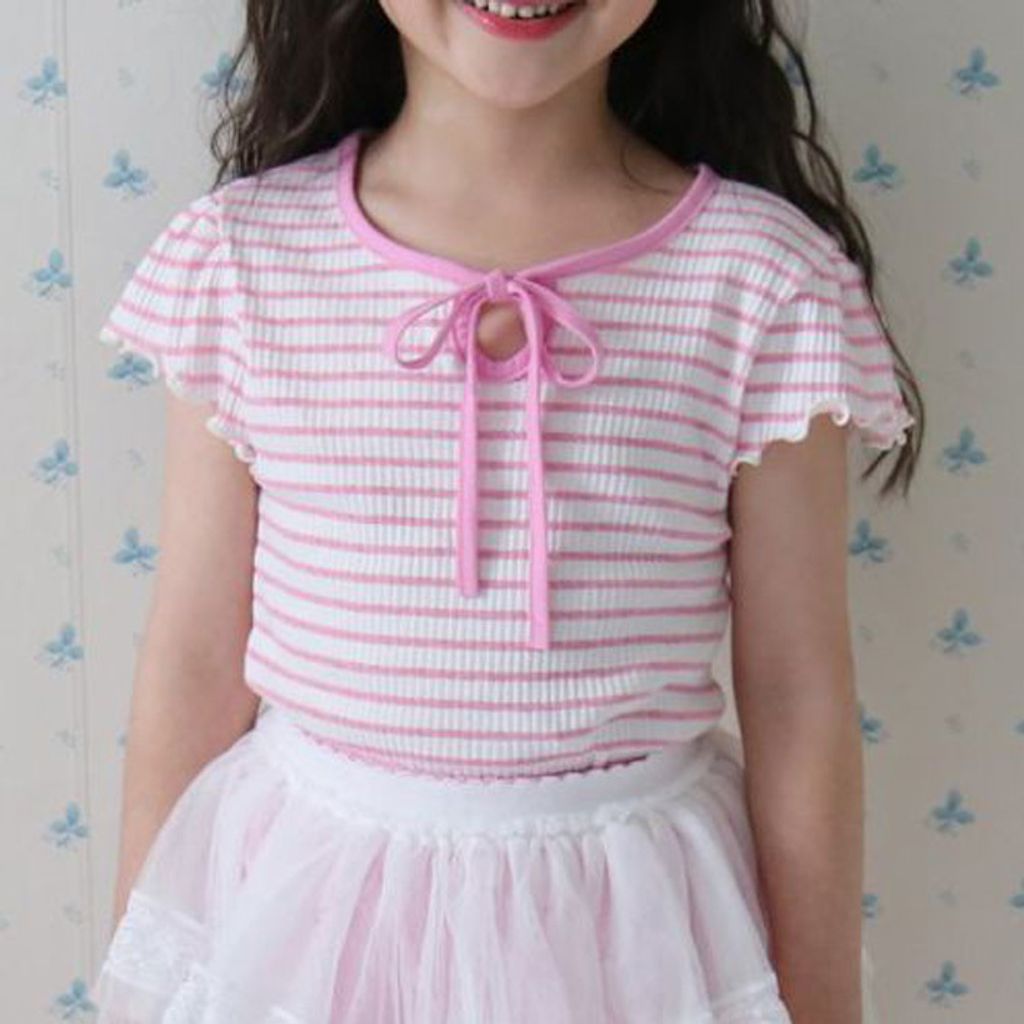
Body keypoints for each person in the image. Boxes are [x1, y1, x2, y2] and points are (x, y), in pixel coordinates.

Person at [90, 0, 923, 1021]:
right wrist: (139, 969)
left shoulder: (765, 283)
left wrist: (822, 1000)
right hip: (312, 919)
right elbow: (192, 660)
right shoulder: (241, 257)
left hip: (630, 931)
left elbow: (797, 694)